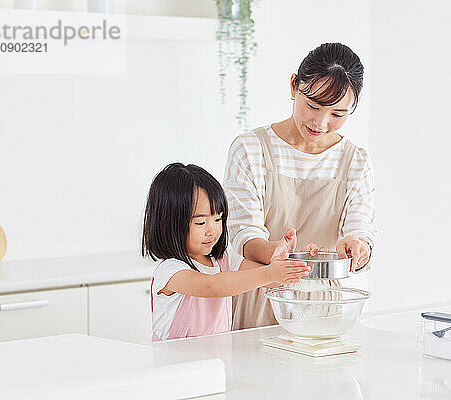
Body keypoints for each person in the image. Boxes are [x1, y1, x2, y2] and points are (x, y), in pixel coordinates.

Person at [224, 42, 377, 330]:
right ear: (294, 86)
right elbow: (244, 234)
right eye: (313, 106)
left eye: (337, 114)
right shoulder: (250, 149)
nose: (321, 122)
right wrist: (278, 255)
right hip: (261, 298)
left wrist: (357, 246)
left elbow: (361, 229)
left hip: (325, 308)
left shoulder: (356, 160)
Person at [142, 163, 310, 341]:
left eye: (218, 219)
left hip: (216, 360)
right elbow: (212, 286)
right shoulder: (170, 271)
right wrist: (270, 273)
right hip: (174, 363)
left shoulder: (223, 260)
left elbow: (269, 281)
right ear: (169, 224)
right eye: (201, 223)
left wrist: (296, 263)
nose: (212, 230)